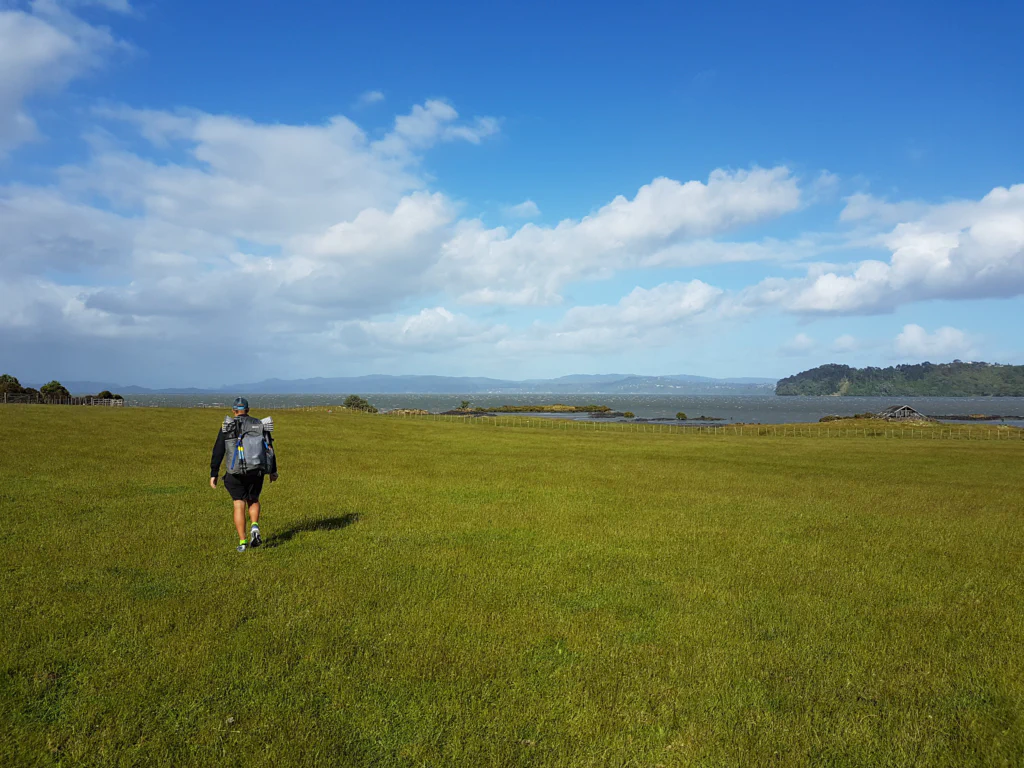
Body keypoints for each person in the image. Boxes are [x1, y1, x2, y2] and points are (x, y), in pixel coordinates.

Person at [210, 397, 278, 552]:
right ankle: (255, 527)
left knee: (238, 504)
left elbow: (218, 450)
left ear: (234, 411)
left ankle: (242, 542)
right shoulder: (260, 424)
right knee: (253, 499)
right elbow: (269, 449)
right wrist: (272, 470)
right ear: (248, 410)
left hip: (235, 473)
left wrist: (214, 472)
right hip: (257, 470)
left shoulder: (228, 425)